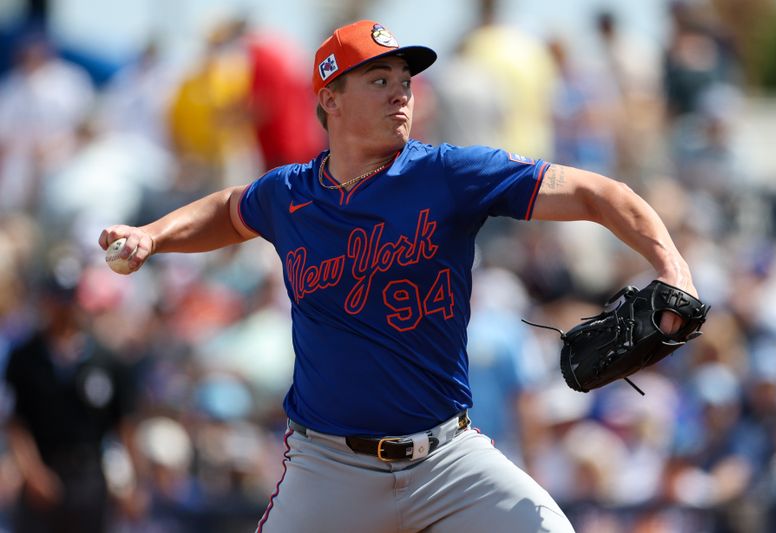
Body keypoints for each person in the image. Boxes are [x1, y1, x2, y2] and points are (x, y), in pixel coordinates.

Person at [99, 20, 699, 533]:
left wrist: (673, 270)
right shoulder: (289, 194)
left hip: (447, 457)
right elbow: (228, 209)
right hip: (329, 467)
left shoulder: (449, 175)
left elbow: (600, 193)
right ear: (330, 97)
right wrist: (153, 234)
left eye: (405, 81)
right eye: (379, 80)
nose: (400, 94)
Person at [3, 273, 141, 533]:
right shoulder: (24, 357)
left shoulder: (106, 359)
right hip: (42, 471)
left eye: (68, 300)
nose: (63, 309)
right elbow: (15, 422)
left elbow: (124, 424)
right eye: (56, 301)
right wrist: (32, 472)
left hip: (89, 475)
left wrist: (133, 483)